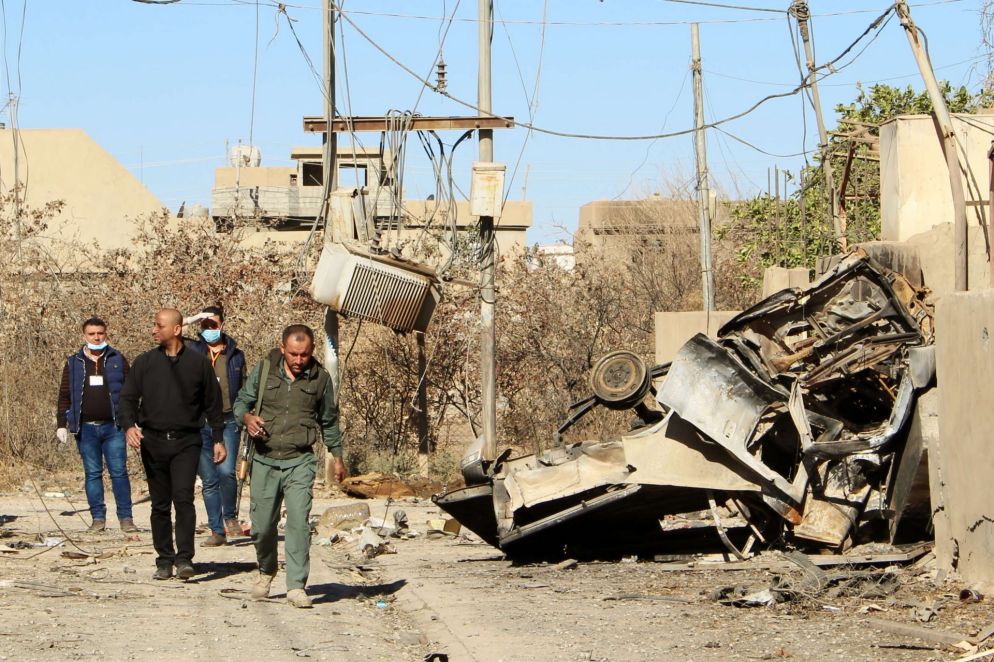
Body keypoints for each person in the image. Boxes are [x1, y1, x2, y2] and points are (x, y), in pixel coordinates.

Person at [233, 324, 345, 608]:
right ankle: (266, 570)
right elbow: (241, 403)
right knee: (261, 526)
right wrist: (247, 419)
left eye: (304, 355)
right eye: (293, 354)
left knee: (297, 523)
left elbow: (329, 420)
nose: (298, 360)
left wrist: (338, 457)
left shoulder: (320, 379)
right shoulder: (264, 370)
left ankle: (296, 585)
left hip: (300, 460)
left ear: (312, 352)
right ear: (282, 349)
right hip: (264, 459)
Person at [117, 308, 226, 581]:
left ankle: (184, 559)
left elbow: (213, 404)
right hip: (152, 442)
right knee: (160, 504)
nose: (154, 330)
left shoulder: (198, 363)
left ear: (177, 329)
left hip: (187, 442)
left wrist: (217, 439)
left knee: (184, 500)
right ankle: (164, 559)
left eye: (159, 325)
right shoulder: (144, 363)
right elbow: (127, 400)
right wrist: (129, 426)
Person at [56, 317, 136, 533]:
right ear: (84, 336)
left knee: (119, 472)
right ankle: (98, 519)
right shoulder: (74, 362)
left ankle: (126, 519)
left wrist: (132, 423)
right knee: (92, 473)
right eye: (92, 334)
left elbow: (130, 394)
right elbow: (64, 395)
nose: (96, 337)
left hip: (114, 428)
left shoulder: (118, 359)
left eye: (100, 333)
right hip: (86, 428)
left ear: (106, 334)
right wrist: (62, 424)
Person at [184, 306, 246, 546]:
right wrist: (192, 317)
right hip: (200, 422)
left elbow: (242, 388)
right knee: (209, 478)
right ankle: (216, 530)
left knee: (226, 471)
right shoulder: (192, 350)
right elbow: (169, 333)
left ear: (222, 324)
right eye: (205, 325)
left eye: (214, 324)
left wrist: (243, 414)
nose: (210, 329)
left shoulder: (235, 354)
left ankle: (230, 516)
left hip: (228, 420)